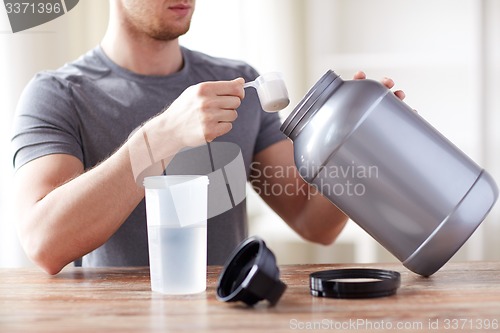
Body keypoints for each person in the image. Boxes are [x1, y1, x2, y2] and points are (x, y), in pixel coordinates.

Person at [11, 0, 405, 275]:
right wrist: (161, 138)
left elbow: (313, 222)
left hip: (228, 313)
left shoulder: (240, 85)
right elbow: (45, 244)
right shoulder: (58, 94)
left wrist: (354, 147)